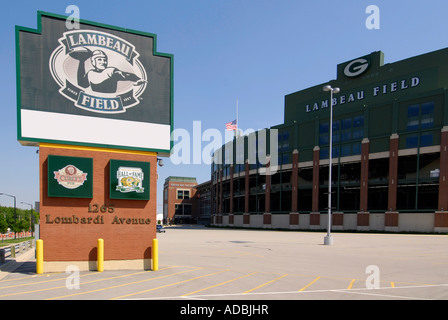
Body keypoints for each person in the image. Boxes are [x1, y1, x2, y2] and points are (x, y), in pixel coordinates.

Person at [70, 48, 146, 93]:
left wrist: (137, 79)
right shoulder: (91, 73)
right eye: (99, 59)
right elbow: (81, 84)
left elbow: (125, 75)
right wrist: (81, 61)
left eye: (104, 60)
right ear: (93, 62)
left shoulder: (110, 71)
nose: (103, 62)